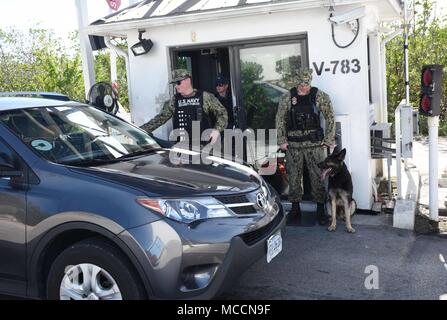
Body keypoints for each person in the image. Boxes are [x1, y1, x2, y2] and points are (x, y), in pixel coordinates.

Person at [275, 67, 335, 225]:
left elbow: (330, 117)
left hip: (315, 145)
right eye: (301, 83)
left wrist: (328, 138)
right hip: (293, 145)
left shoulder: (319, 96)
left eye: (307, 83)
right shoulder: (287, 97)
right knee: (294, 177)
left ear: (310, 81)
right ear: (296, 81)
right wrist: (281, 140)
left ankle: (320, 210)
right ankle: (295, 209)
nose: (304, 86)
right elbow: (280, 119)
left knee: (318, 176)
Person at [140, 69, 228, 148]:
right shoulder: (174, 101)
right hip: (183, 148)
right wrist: (139, 131)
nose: (176, 86)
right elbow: (160, 119)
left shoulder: (205, 97)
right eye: (174, 84)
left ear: (188, 80)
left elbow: (222, 114)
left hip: (205, 147)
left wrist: (217, 131)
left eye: (178, 83)